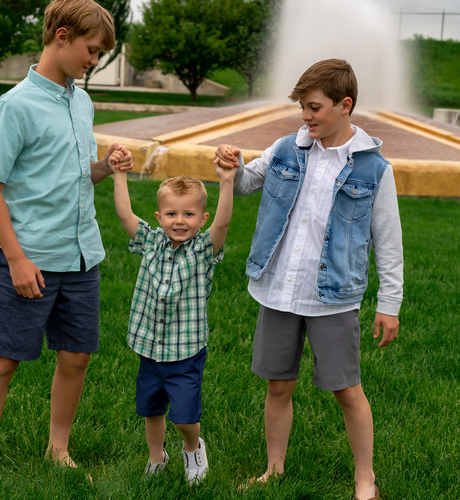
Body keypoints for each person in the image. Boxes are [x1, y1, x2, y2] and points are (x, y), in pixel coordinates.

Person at [0, 0, 134, 495]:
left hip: (83, 256)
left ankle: (59, 448)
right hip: (29, 257)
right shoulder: (15, 105)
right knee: (4, 359)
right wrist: (15, 257)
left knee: (76, 356)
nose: (93, 61)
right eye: (91, 50)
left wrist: (105, 165)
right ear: (61, 35)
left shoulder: (81, 101)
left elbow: (79, 175)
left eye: (99, 54)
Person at [213, 58, 403, 500]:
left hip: (333, 297)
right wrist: (231, 166)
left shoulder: (375, 170)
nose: (306, 116)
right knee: (278, 385)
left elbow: (388, 242)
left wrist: (389, 303)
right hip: (279, 288)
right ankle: (274, 468)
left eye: (314, 107)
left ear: (345, 105)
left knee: (347, 390)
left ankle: (365, 482)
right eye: (302, 106)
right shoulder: (285, 149)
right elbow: (244, 183)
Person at [111, 163, 236, 485]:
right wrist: (120, 174)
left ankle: (193, 449)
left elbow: (223, 224)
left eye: (189, 215)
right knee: (151, 410)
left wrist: (226, 182)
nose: (180, 221)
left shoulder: (204, 250)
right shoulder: (151, 242)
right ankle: (157, 457)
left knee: (184, 416)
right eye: (171, 214)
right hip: (149, 347)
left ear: (202, 219)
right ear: (158, 217)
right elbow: (125, 215)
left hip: (185, 351)